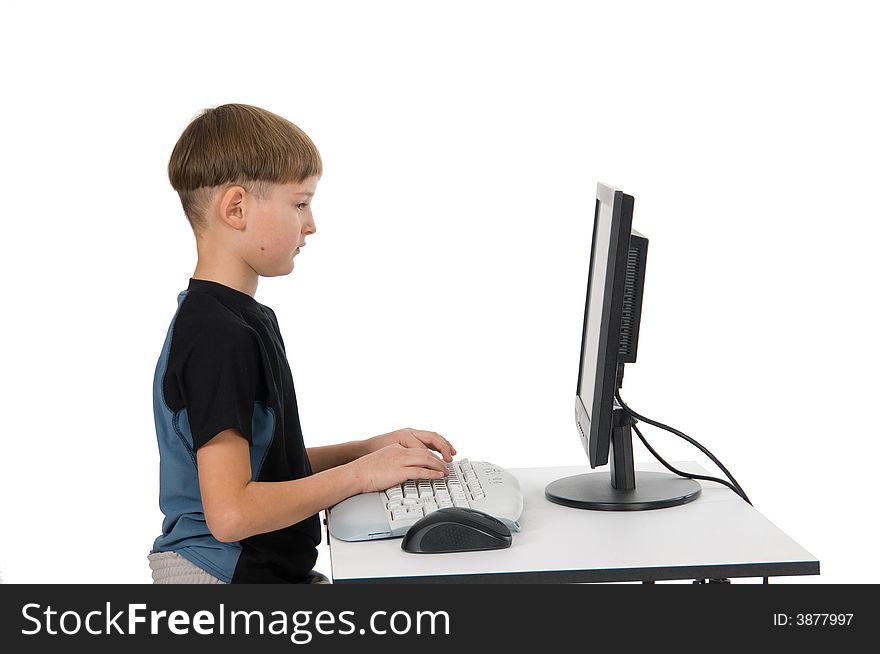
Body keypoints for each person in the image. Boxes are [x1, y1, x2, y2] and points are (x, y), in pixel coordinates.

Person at [148, 103, 455, 584]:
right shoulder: (216, 336)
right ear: (237, 208)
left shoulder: (238, 319)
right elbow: (231, 514)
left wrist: (368, 451)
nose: (310, 224)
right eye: (299, 203)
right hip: (217, 579)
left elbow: (266, 469)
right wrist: (359, 476)